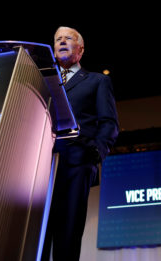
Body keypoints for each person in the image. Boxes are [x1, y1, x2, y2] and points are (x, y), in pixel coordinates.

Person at [41, 26, 119, 261]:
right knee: (37, 235)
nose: (62, 42)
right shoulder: (41, 82)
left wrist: (95, 153)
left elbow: (109, 123)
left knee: (67, 235)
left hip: (76, 164)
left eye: (68, 38)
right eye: (57, 39)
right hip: (40, 167)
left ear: (81, 49)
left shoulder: (97, 81)